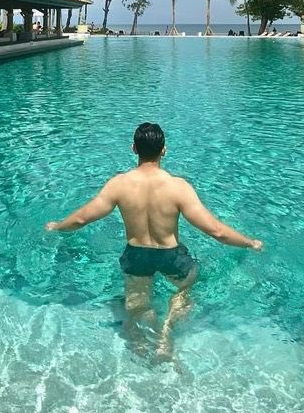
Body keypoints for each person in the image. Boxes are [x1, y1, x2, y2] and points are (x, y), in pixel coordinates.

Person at [45, 122, 262, 358]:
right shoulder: (178, 187)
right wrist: (249, 243)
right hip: (171, 255)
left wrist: (57, 226)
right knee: (186, 286)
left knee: (138, 302)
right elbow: (216, 231)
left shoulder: (119, 184)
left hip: (136, 255)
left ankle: (140, 341)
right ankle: (167, 331)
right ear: (164, 150)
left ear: (134, 149)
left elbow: (81, 219)